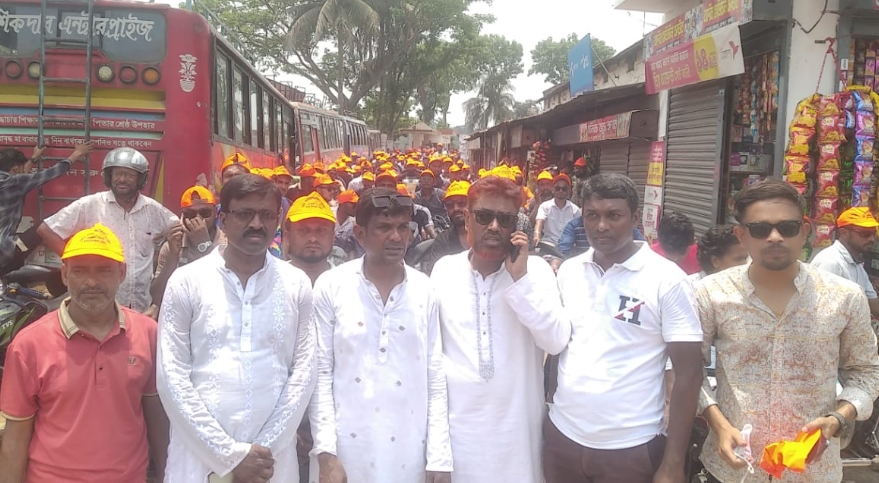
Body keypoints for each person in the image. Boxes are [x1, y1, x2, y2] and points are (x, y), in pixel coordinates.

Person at [695, 180, 879, 483]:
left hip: (812, 470)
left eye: (788, 227)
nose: (775, 237)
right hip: (734, 468)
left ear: (805, 231)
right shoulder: (711, 293)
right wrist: (719, 424)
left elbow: (867, 373)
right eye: (760, 229)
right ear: (741, 235)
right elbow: (689, 370)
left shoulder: (844, 296)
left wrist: (838, 418)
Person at [157, 174, 316, 483]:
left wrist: (260, 453)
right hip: (198, 460)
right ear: (223, 219)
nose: (256, 223)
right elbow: (171, 376)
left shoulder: (296, 284)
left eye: (266, 215)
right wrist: (229, 456)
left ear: (277, 220)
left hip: (270, 464)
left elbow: (304, 373)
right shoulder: (187, 281)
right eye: (245, 214)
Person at [549, 173, 703, 483]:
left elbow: (689, 372)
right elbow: (560, 345)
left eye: (613, 215)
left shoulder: (667, 279)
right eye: (592, 215)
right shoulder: (570, 271)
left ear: (635, 217)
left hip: (631, 447)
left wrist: (673, 462)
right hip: (563, 438)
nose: (601, 225)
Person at [0, 223, 168, 483]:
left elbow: (156, 415)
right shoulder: (28, 345)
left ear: (121, 273)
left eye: (104, 270)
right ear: (65, 274)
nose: (91, 282)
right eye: (79, 270)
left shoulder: (148, 334)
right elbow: (15, 438)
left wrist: (169, 474)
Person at [431, 176, 570, 482]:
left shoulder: (536, 273)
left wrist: (520, 279)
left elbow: (555, 341)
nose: (494, 227)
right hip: (458, 439)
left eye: (505, 219)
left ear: (516, 225)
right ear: (467, 218)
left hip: (518, 440)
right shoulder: (444, 271)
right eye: (484, 216)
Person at [309, 187, 453, 483]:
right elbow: (320, 373)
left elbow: (435, 375)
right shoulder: (331, 285)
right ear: (360, 234)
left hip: (409, 453)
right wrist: (325, 453)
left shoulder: (425, 289)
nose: (397, 237)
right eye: (384, 228)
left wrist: (439, 456)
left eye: (403, 227)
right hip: (344, 454)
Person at [36, 147, 181, 314]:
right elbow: (46, 230)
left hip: (142, 306)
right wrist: (74, 261)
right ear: (109, 176)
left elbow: (179, 228)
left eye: (129, 175)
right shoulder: (91, 205)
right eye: (117, 174)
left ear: (141, 179)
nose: (122, 179)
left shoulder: (152, 209)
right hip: (100, 306)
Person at [0, 142, 92, 276]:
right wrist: (76, 154)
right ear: (14, 169)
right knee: (46, 224)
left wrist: (34, 157)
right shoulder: (15, 183)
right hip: (4, 252)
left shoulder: (12, 182)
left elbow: (21, 176)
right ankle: (70, 259)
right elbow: (51, 173)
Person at [151, 186, 226, 308]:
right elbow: (157, 297)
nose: (198, 219)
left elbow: (226, 290)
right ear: (183, 217)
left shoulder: (227, 244)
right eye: (190, 214)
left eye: (205, 213)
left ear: (216, 214)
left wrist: (204, 245)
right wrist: (173, 256)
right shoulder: (172, 245)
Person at [811, 207, 879, 318]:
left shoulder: (857, 265)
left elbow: (874, 304)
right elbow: (820, 312)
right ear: (844, 233)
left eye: (873, 233)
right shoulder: (830, 262)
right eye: (865, 233)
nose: (871, 239)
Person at [286, 191, 346, 284]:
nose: (313, 239)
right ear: (287, 236)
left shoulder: (348, 284)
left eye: (321, 230)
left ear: (333, 236)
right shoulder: (270, 281)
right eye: (303, 230)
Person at [422, 181, 470, 275]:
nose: (456, 208)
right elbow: (433, 275)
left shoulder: (486, 235)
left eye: (461, 203)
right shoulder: (443, 240)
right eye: (450, 205)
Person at [534, 174, 581, 246]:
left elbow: (578, 231)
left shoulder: (575, 210)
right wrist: (537, 235)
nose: (560, 191)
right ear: (553, 189)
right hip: (548, 245)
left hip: (568, 246)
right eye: (557, 188)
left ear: (569, 190)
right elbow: (539, 222)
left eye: (564, 189)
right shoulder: (545, 206)